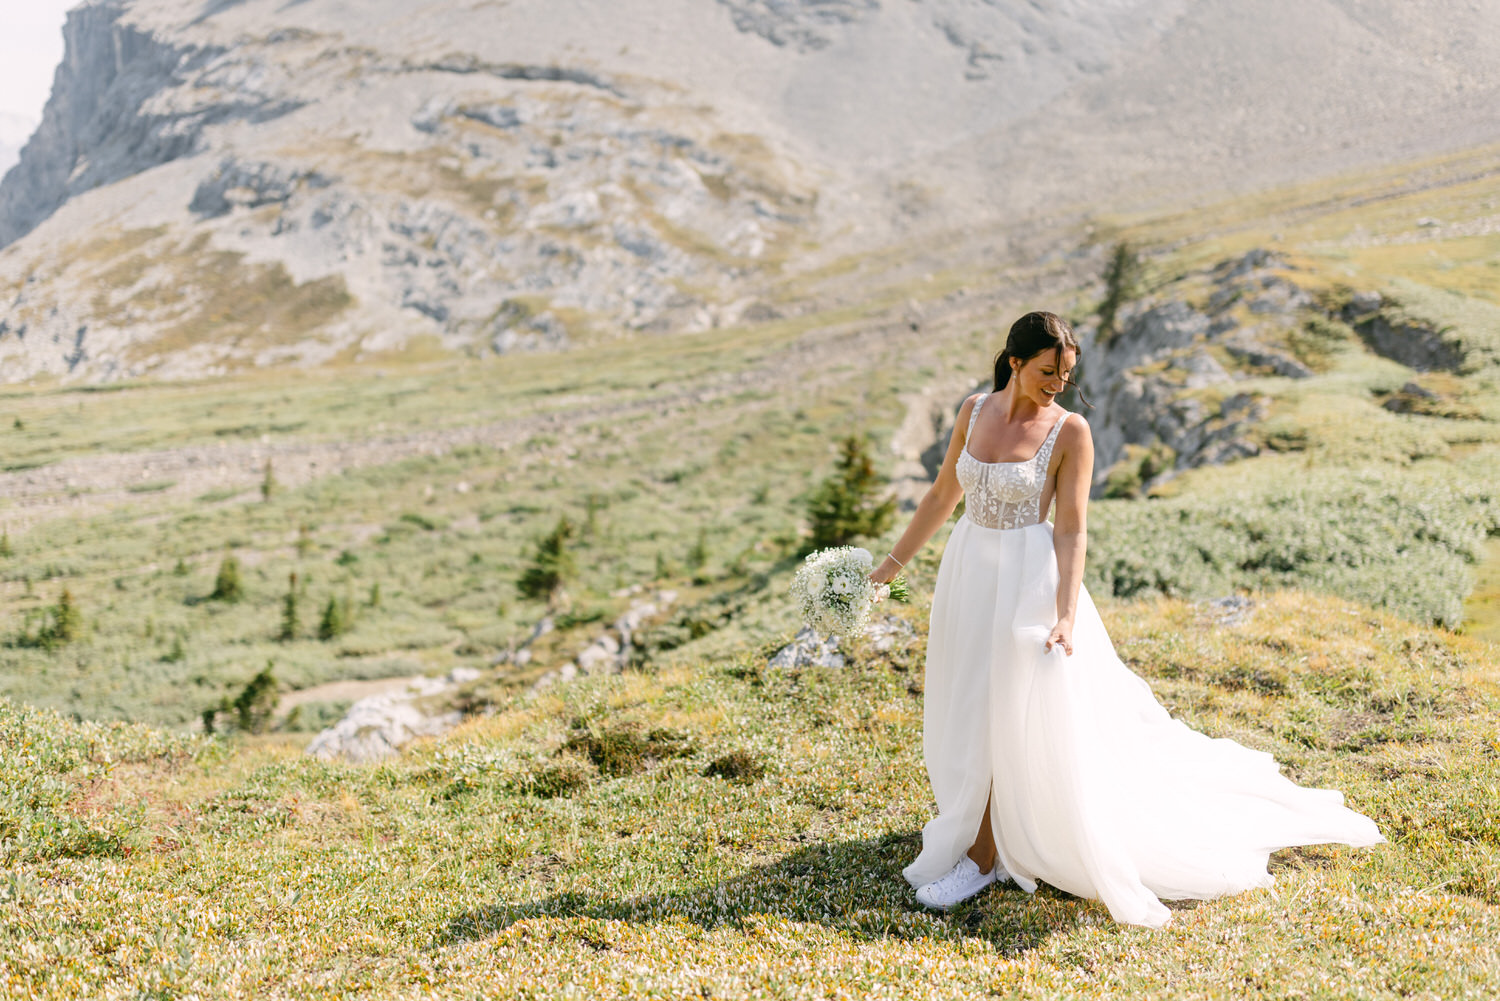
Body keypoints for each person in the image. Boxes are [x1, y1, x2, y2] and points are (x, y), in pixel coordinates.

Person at [869, 310, 1382, 928]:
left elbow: (1072, 528)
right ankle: (985, 838)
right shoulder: (974, 411)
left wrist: (1065, 616)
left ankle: (982, 858)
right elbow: (941, 494)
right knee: (969, 703)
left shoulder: (1071, 432)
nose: (1057, 382)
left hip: (1031, 583)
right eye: (1046, 371)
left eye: (1065, 373)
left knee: (1005, 709)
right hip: (968, 575)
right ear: (1014, 362)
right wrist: (886, 572)